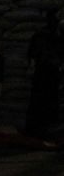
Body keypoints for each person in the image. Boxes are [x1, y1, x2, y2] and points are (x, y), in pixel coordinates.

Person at [26, 9, 62, 138]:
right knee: (44, 102)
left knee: (42, 102)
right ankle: (40, 130)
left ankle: (39, 130)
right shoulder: (50, 36)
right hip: (46, 73)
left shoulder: (45, 35)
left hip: (45, 74)